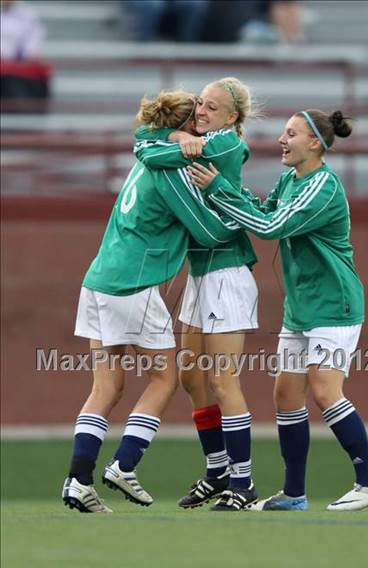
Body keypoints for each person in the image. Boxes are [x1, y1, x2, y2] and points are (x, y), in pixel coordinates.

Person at [187, 108, 368, 512]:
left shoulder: (323, 186)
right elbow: (262, 212)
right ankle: (294, 494)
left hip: (335, 305)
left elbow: (270, 227)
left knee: (325, 390)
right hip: (301, 308)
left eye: (291, 133)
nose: (282, 139)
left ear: (315, 143)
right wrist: (225, 189)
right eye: (283, 132)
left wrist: (219, 189)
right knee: (285, 395)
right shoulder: (289, 180)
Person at [62, 90, 242, 513]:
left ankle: (77, 481)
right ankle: (125, 464)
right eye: (195, 123)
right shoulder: (173, 170)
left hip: (98, 280)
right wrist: (239, 213)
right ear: (182, 127)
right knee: (164, 379)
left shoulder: (148, 155)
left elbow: (146, 138)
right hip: (134, 284)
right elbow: (207, 233)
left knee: (106, 387)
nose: (201, 127)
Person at [134, 77, 260, 511]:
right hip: (200, 273)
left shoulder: (226, 144)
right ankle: (218, 469)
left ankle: (244, 483)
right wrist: (177, 134)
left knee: (224, 380)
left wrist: (167, 142)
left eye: (212, 108)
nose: (201, 112)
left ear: (232, 117)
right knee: (191, 377)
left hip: (227, 273)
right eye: (200, 104)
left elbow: (146, 149)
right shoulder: (198, 136)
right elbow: (145, 138)